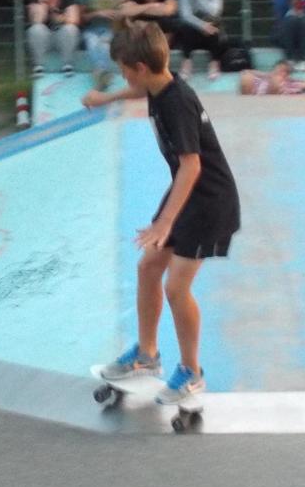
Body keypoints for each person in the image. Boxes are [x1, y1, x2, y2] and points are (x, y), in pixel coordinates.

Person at [80, 21, 240, 406]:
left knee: (176, 288)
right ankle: (147, 356)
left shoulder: (176, 102)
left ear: (139, 67)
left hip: (209, 201)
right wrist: (106, 98)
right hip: (189, 196)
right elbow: (139, 89)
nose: (124, 77)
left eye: (123, 70)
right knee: (148, 268)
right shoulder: (158, 85)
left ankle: (192, 373)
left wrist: (165, 221)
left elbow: (191, 165)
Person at [76, 0, 131, 90]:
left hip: (112, 28)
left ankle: (100, 74)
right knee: (92, 41)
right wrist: (98, 13)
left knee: (104, 44)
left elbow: (127, 15)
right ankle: (103, 73)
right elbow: (80, 18)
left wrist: (121, 11)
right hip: (91, 28)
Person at [176, 0, 230, 81]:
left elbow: (214, 12)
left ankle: (214, 63)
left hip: (211, 33)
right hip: (193, 34)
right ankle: (186, 63)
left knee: (215, 25)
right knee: (185, 27)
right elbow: (186, 16)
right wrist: (202, 25)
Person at [26, 0, 80, 77]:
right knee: (36, 29)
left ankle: (67, 64)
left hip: (62, 37)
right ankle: (39, 65)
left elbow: (74, 20)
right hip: (45, 38)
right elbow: (37, 20)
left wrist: (54, 11)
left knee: (71, 29)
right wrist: (43, 2)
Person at [238, 58, 305, 96]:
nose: (280, 72)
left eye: (284, 71)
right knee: (246, 77)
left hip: (273, 98)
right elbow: (245, 72)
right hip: (255, 95)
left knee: (276, 81)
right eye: (279, 69)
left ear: (287, 74)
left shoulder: (289, 83)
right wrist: (266, 75)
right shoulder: (264, 78)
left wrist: (291, 80)